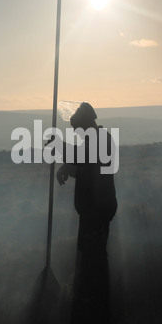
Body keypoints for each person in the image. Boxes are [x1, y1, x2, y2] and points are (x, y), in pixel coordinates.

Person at [57, 102, 117, 255]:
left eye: (78, 129)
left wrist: (59, 146)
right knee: (90, 256)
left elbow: (84, 160)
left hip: (97, 210)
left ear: (86, 124)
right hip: (93, 209)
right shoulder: (97, 139)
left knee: (93, 257)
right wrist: (68, 167)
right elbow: (86, 164)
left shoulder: (101, 140)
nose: (77, 133)